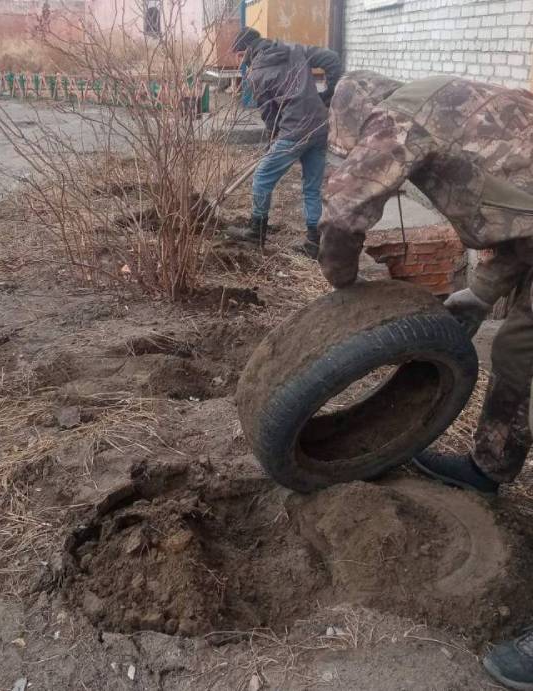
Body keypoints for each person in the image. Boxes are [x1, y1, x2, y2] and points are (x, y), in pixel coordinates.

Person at [318, 70, 533, 690]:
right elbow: (521, 226)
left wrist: (343, 285)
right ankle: (490, 465)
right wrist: (480, 294)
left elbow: (345, 209)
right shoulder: (452, 110)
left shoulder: (398, 117)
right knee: (517, 349)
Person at [225, 28, 341, 259]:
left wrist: (272, 140)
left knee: (262, 178)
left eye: (238, 56)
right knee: (312, 187)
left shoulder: (257, 73)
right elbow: (332, 58)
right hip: (319, 128)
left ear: (245, 51)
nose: (239, 62)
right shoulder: (293, 49)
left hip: (293, 131)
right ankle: (314, 242)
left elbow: (270, 115)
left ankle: (256, 232)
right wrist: (328, 95)